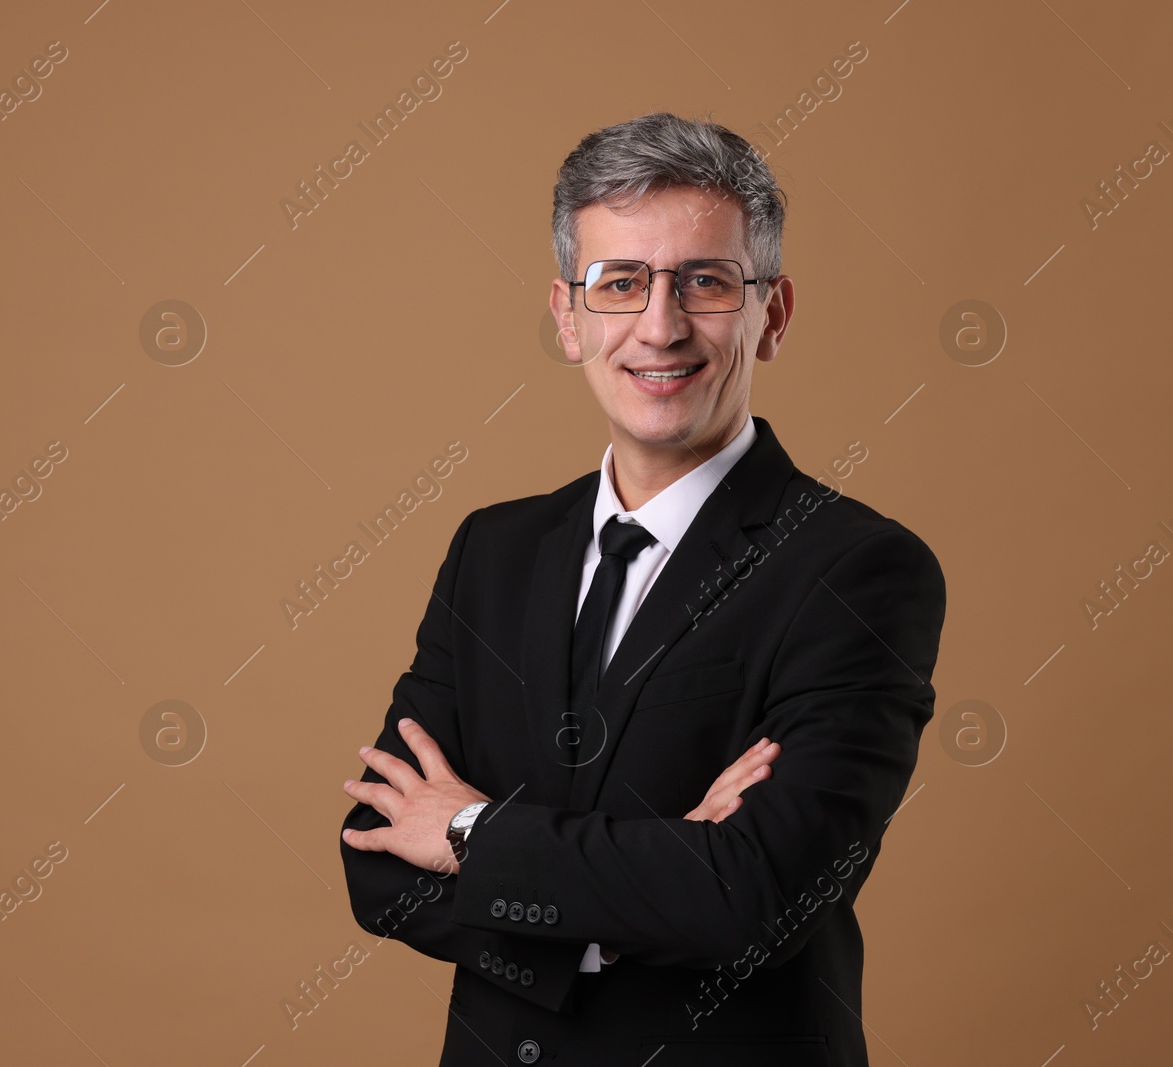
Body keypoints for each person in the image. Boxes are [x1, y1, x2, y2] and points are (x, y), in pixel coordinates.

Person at [338, 112, 946, 1066]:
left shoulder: (857, 568)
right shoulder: (492, 550)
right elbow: (377, 858)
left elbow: (753, 894)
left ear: (771, 314)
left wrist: (468, 829)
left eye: (704, 282)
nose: (659, 327)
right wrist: (637, 893)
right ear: (569, 316)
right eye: (620, 284)